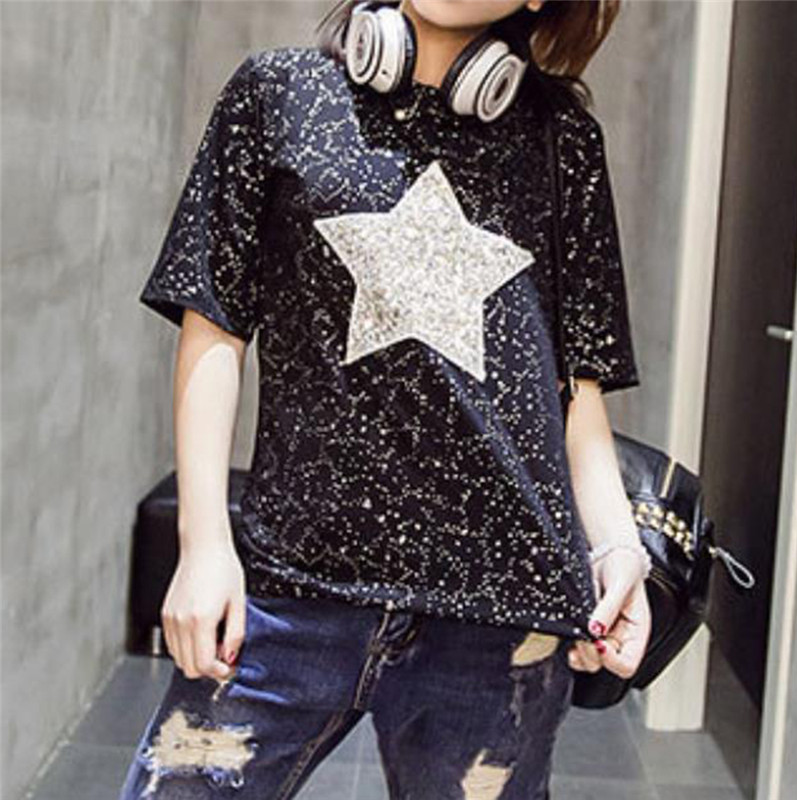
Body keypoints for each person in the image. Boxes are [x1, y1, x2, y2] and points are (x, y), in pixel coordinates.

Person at [119, 1, 651, 798]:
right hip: (290, 590)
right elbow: (214, 326)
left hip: (498, 622)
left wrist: (615, 547)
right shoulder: (277, 94)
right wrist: (202, 548)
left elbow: (576, 395)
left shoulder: (562, 142)